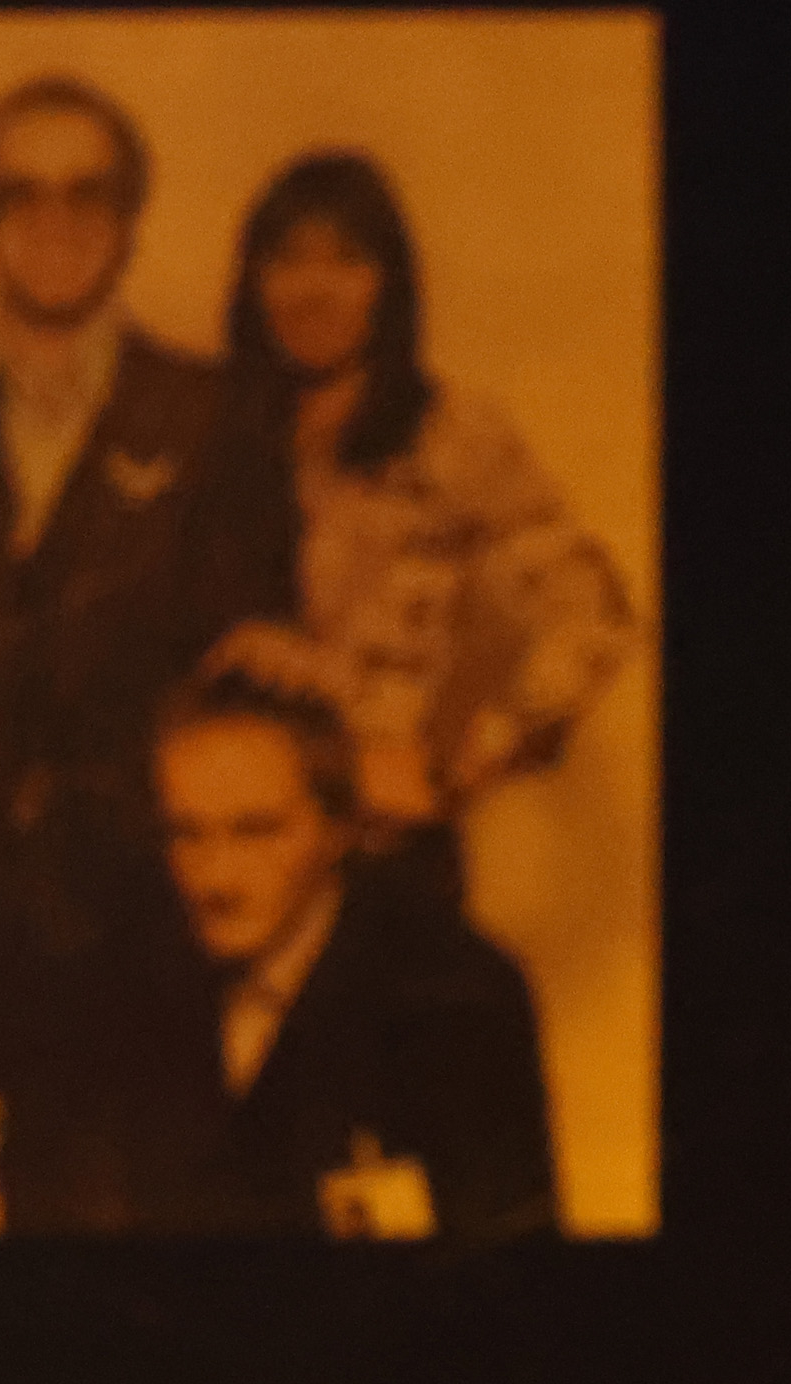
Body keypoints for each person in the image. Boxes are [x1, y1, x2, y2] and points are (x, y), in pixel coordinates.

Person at [0, 77, 292, 1028]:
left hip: (141, 943)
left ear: (130, 218)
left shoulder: (220, 415)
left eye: (90, 191)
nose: (58, 220)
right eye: (21, 193)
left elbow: (243, 675)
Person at [0, 666, 555, 1238]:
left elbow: (507, 1286)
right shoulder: (129, 968)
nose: (215, 878)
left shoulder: (459, 994)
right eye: (186, 834)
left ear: (338, 829)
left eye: (256, 831)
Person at [207, 150, 630, 876]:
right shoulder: (204, 431)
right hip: (227, 851)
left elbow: (595, 611)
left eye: (347, 260)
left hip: (385, 851)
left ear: (389, 283)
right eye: (287, 260)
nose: (315, 289)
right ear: (253, 281)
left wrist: (471, 755)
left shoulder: (452, 436)